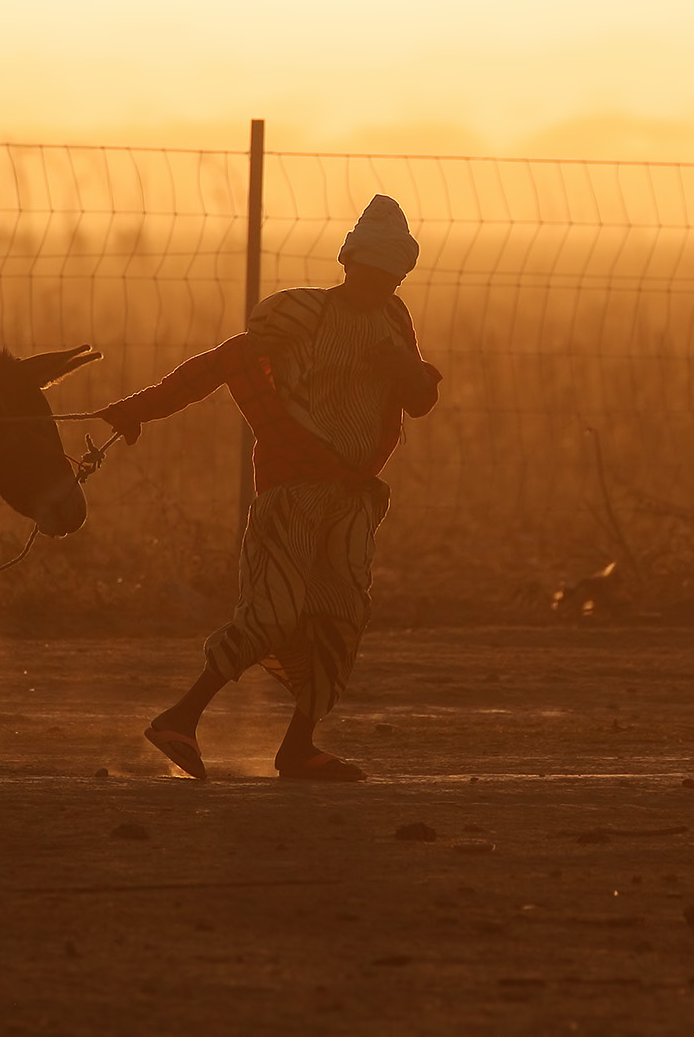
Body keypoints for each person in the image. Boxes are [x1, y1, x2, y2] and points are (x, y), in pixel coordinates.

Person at [95, 194, 443, 781]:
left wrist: (401, 367)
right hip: (293, 489)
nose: (376, 285)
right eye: (368, 272)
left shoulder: (393, 321)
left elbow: (421, 401)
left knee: (340, 615)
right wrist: (141, 410)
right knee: (273, 611)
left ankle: (298, 748)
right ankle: (179, 718)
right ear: (347, 263)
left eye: (389, 277)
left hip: (353, 498)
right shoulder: (302, 316)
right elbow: (221, 364)